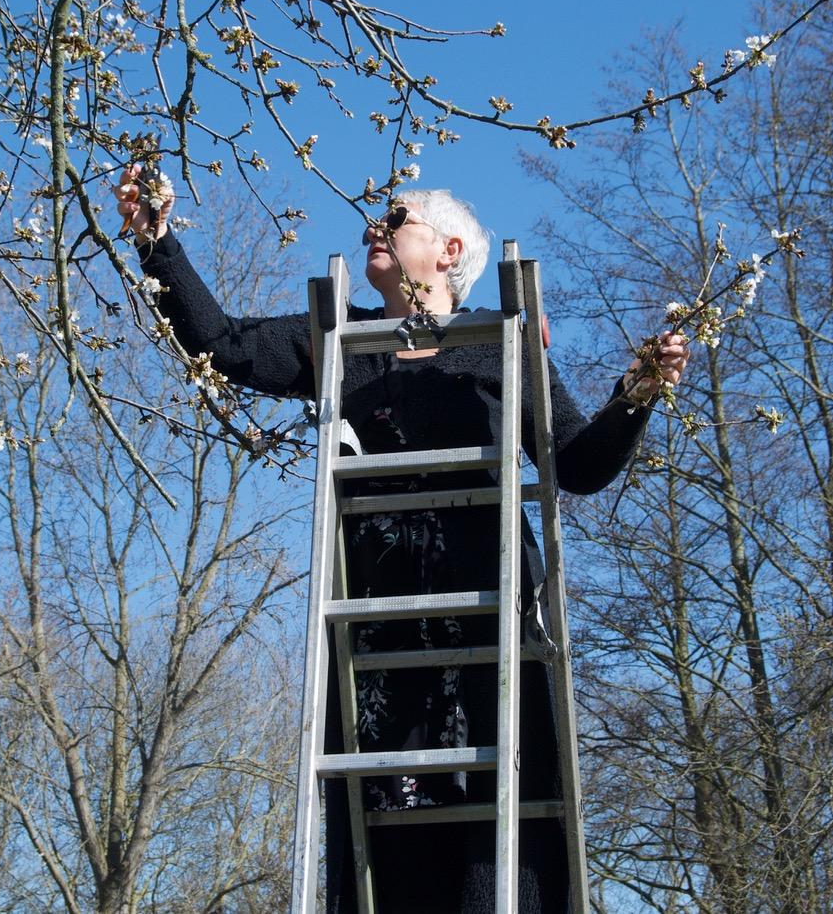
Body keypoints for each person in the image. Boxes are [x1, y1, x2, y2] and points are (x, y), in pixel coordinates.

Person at [115, 169, 689, 913]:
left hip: (487, 628)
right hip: (375, 631)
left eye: (396, 215)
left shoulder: (497, 345)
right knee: (387, 820)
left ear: (449, 248)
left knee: (498, 818)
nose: (371, 227)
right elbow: (223, 344)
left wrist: (634, 396)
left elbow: (576, 464)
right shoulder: (341, 341)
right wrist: (156, 242)